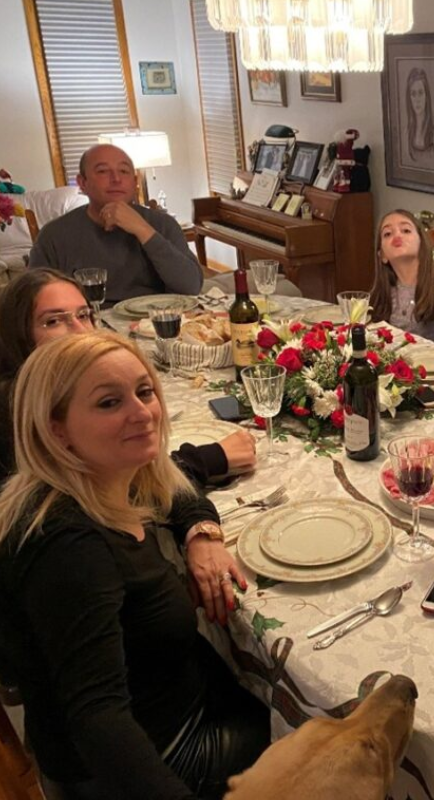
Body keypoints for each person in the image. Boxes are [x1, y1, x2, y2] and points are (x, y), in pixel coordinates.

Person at [0, 332, 269, 799]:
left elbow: (172, 478)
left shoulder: (99, 478)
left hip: (175, 703)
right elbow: (98, 720)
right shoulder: (68, 543)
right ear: (56, 427)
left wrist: (201, 533)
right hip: (158, 756)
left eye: (145, 392)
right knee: (328, 734)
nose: (142, 413)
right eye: (109, 403)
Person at [0, 269, 255, 488]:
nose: (80, 331)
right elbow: (113, 490)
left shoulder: (68, 385)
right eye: (53, 321)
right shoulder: (17, 411)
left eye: (83, 315)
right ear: (18, 334)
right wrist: (208, 460)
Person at [27, 144, 204, 303]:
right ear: (82, 183)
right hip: (87, 329)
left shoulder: (162, 224)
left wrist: (142, 230)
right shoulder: (55, 235)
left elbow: (190, 287)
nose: (116, 179)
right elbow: (35, 300)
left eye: (124, 171)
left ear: (135, 182)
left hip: (156, 325)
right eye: (103, 171)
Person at [368, 210, 434, 351]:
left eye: (406, 230)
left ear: (422, 244)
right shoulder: (380, 293)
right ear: (382, 256)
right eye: (387, 233)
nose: (397, 235)